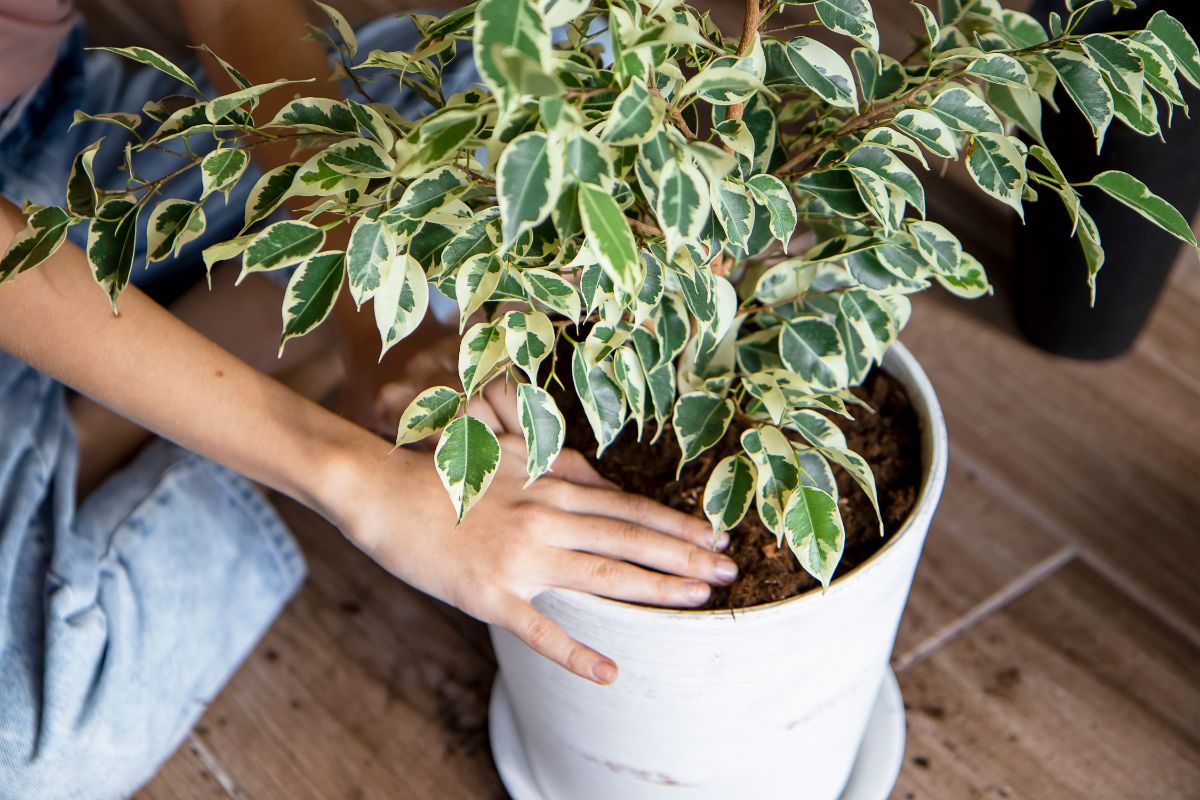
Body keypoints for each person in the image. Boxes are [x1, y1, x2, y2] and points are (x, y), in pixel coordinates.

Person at [0, 1, 739, 796]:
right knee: (35, 752)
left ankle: (144, 396)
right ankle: (122, 412)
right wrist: (353, 479)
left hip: (44, 131)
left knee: (567, 61)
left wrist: (376, 324)